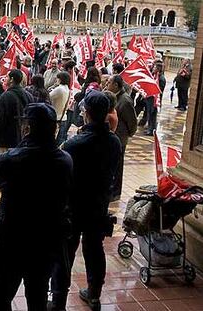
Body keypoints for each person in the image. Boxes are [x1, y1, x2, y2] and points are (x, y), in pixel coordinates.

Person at [0, 103, 73, 311]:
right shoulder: (65, 161)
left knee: (1, 295)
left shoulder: (10, 159)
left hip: (13, 238)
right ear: (54, 129)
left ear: (27, 128)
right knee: (38, 295)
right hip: (46, 239)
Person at [50, 90, 122, 311]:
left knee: (65, 254)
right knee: (94, 250)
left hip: (73, 207)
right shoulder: (114, 142)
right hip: (98, 206)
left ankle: (59, 300)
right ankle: (94, 294)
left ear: (86, 113)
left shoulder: (74, 144)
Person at [106, 74, 137, 201]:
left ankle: (116, 192)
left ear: (116, 85)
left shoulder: (125, 100)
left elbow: (132, 122)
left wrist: (128, 134)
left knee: (118, 166)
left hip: (120, 137)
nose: (107, 84)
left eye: (109, 82)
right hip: (112, 136)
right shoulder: (111, 96)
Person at [0, 69, 34, 153]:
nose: (5, 78)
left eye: (7, 76)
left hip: (6, 139)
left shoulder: (6, 96)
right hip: (22, 139)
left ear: (11, 79)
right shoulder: (29, 96)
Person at [49, 71, 71, 145]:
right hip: (63, 117)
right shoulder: (67, 89)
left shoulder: (59, 89)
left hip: (56, 117)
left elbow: (48, 97)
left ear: (61, 79)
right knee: (58, 141)